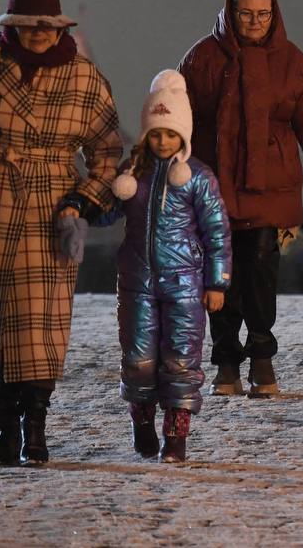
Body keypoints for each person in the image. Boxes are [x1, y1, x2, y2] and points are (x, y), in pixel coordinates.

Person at [0, 0, 122, 466]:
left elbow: (107, 153)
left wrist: (83, 202)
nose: (37, 33)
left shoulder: (86, 78)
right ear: (12, 26)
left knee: (39, 327)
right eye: (27, 25)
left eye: (45, 25)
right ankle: (4, 430)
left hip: (52, 209)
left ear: (59, 26)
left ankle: (36, 429)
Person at [179, 0, 303, 397]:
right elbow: (174, 120)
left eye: (262, 14)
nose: (254, 22)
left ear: (273, 15)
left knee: (259, 271)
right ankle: (225, 361)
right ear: (231, 12)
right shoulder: (202, 58)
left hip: (269, 186)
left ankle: (261, 356)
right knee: (218, 276)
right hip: (213, 187)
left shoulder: (292, 63)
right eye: (246, 13)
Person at [106, 70, 231, 463]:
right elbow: (107, 214)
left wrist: (218, 282)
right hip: (137, 281)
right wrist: (100, 192)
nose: (162, 141)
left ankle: (176, 435)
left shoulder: (198, 178)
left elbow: (218, 233)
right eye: (156, 133)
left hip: (186, 285)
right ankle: (141, 420)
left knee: (181, 358)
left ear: (184, 136)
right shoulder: (133, 174)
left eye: (170, 133)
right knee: (139, 357)